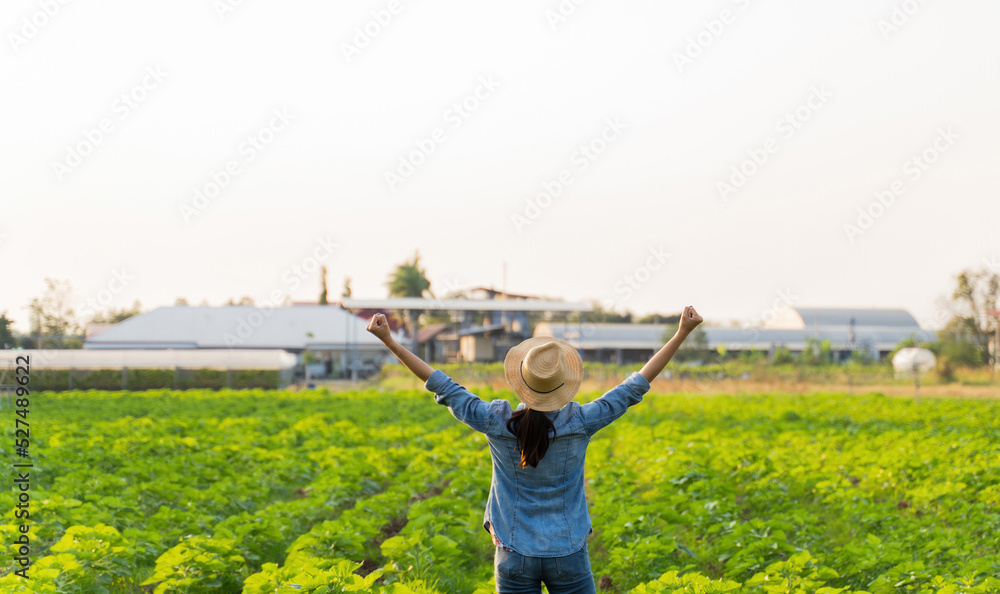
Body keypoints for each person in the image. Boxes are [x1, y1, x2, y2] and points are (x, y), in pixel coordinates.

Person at [365, 305, 704, 594]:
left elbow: (443, 386)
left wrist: (389, 341)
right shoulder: (581, 421)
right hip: (568, 553)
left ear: (521, 381)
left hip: (514, 554)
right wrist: (681, 334)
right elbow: (634, 387)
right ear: (563, 385)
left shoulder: (496, 420)